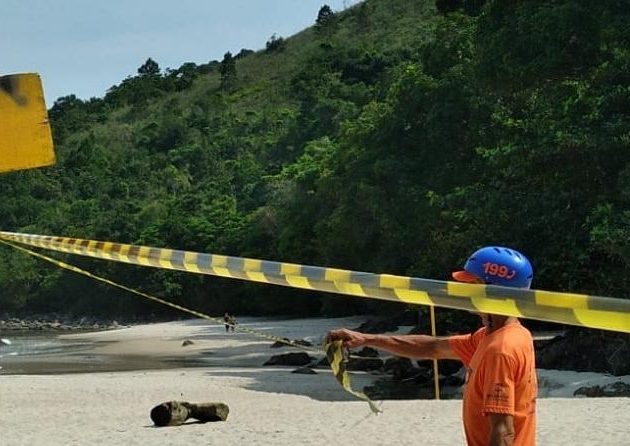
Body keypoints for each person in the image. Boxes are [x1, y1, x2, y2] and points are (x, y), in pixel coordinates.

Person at [326, 246, 537, 446]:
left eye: (471, 285)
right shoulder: (495, 336)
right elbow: (431, 347)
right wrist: (366, 339)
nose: (463, 292)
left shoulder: (500, 349)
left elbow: (503, 432)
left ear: (494, 291)